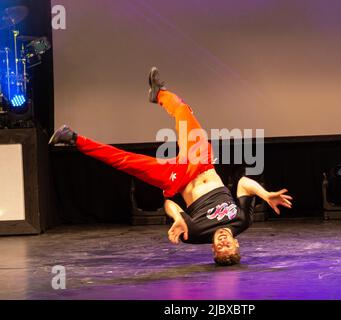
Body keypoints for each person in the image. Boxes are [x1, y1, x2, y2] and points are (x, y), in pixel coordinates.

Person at [49, 67, 293, 266]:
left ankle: (72, 138)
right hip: (202, 162)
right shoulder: (241, 221)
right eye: (228, 245)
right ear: (237, 243)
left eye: (219, 248)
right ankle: (159, 94)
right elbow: (243, 183)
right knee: (184, 112)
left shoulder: (194, 234)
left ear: (212, 249)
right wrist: (265, 194)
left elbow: (169, 203)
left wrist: (178, 217)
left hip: (178, 178)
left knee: (124, 161)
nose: (222, 242)